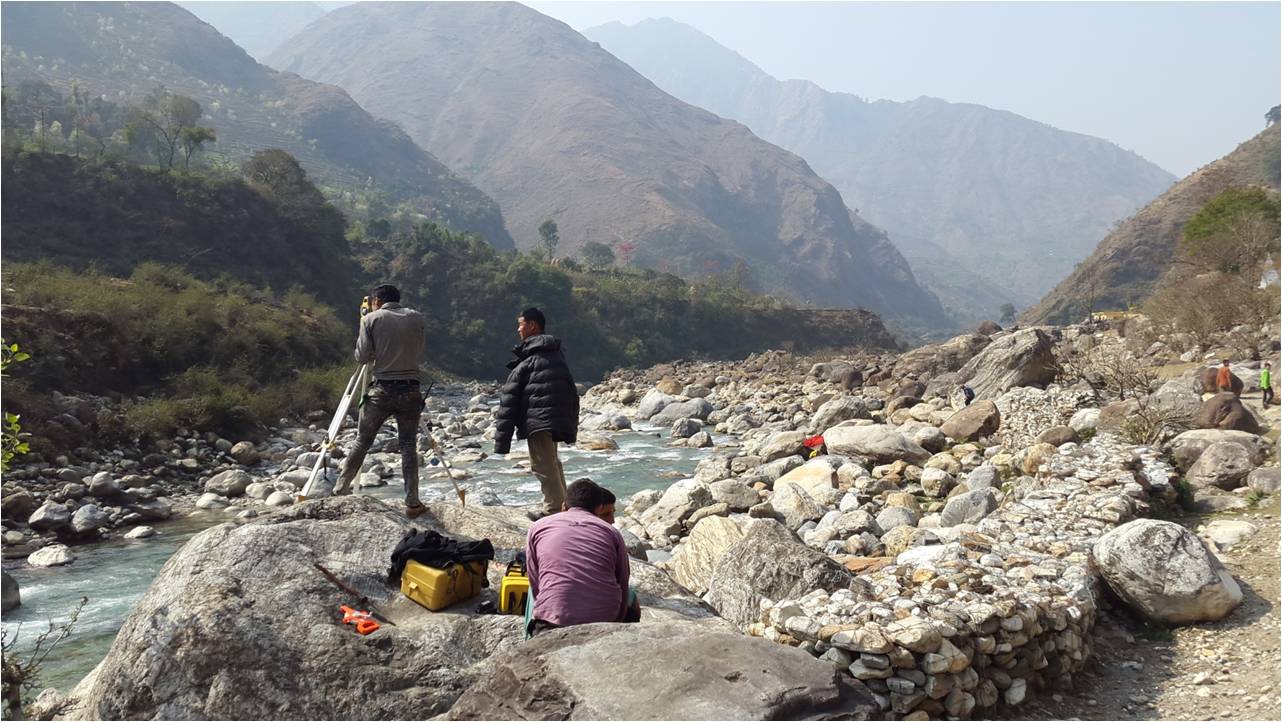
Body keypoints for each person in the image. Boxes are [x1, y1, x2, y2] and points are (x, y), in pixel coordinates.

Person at [333, 284, 429, 518]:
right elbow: (419, 347)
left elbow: (362, 356)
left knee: (361, 442)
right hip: (411, 390)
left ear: (376, 300)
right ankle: (413, 502)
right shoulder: (417, 317)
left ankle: (340, 490)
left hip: (382, 389)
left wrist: (365, 325)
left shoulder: (371, 319)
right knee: (407, 447)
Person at [494, 307, 579, 520]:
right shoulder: (553, 353)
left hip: (538, 418)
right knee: (552, 462)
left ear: (532, 325)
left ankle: (553, 510)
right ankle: (564, 506)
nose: (518, 329)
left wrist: (501, 443)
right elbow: (569, 389)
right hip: (555, 416)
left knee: (542, 464)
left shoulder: (531, 358)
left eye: (521, 324)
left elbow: (509, 400)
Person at [525, 479, 632, 636]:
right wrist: (617, 621)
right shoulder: (611, 532)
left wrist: (548, 607)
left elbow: (535, 581)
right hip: (604, 619)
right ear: (598, 508)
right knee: (632, 599)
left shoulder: (538, 527)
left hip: (552, 622)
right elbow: (623, 579)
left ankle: (530, 641)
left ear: (563, 506)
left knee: (533, 589)